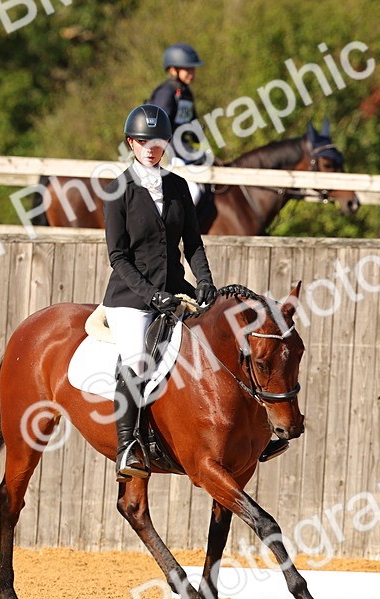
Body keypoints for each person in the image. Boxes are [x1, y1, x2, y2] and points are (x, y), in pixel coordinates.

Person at [103, 104, 217, 481]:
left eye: (158, 141)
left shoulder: (177, 186)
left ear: (166, 143)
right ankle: (128, 448)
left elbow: (193, 244)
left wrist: (204, 281)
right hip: (131, 299)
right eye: (142, 141)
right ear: (131, 143)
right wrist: (151, 295)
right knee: (137, 361)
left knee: (214, 345)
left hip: (175, 292)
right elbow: (118, 256)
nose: (151, 148)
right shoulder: (118, 188)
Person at [148, 43, 215, 230]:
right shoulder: (167, 92)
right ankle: (166, 229)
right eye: (187, 69)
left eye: (193, 69)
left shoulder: (186, 93)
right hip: (164, 151)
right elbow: (159, 124)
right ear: (173, 69)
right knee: (192, 190)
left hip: (181, 149)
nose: (192, 73)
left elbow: (190, 124)